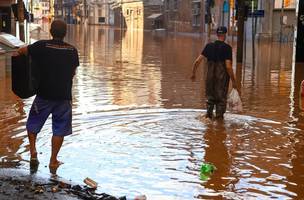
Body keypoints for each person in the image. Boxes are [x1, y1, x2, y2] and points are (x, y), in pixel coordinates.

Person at [18, 20, 79, 171]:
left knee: (33, 124)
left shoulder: (41, 46)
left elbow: (22, 51)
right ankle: (53, 161)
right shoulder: (72, 50)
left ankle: (33, 153)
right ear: (65, 33)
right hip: (63, 97)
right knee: (59, 130)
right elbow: (72, 73)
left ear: (51, 31)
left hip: (43, 95)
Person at [191, 26, 238, 120]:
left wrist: (193, 73)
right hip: (221, 81)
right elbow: (228, 67)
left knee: (210, 102)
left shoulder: (209, 46)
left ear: (217, 35)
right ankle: (219, 128)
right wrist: (234, 81)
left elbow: (197, 61)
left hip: (210, 81)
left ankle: (209, 125)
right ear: (225, 35)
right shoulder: (227, 48)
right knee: (220, 103)